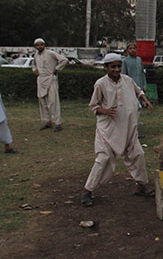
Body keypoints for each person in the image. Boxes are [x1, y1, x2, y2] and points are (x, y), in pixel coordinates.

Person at [80, 53, 154, 207]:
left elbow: (138, 91)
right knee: (103, 159)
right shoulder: (100, 84)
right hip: (108, 130)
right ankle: (87, 191)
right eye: (113, 66)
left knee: (138, 154)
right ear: (105, 67)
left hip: (128, 128)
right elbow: (93, 106)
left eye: (118, 66)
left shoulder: (127, 80)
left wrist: (145, 100)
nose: (116, 69)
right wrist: (105, 111)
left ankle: (141, 186)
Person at [31, 38, 68, 132]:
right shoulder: (36, 55)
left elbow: (64, 60)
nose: (39, 46)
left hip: (51, 79)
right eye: (37, 45)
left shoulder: (50, 53)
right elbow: (33, 65)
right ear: (35, 46)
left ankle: (58, 123)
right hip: (41, 80)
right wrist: (35, 70)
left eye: (41, 44)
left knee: (53, 101)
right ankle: (48, 122)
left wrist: (56, 69)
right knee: (42, 102)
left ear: (44, 45)